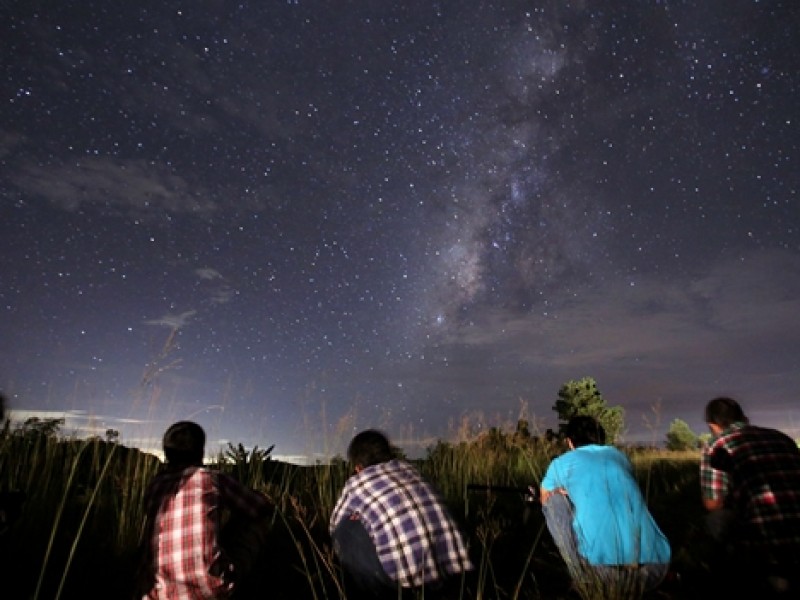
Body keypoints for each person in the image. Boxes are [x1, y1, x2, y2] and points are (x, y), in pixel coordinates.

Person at [329, 429, 473, 599]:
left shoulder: (357, 482)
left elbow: (334, 525)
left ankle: (365, 591)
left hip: (404, 580)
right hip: (452, 570)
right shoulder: (411, 469)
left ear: (358, 466)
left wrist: (360, 517)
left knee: (345, 529)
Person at [137, 421, 272, 600]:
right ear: (200, 451)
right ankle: (263, 579)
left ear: (166, 453)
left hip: (157, 594)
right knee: (254, 518)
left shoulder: (155, 485)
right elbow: (260, 507)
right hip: (209, 589)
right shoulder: (210, 478)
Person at [538, 416, 671, 597]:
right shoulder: (620, 457)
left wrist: (560, 493)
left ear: (569, 442)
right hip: (657, 567)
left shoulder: (561, 463)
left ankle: (580, 577)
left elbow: (543, 498)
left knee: (554, 502)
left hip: (605, 575)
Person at [700, 396, 800, 595]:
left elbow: (713, 504)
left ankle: (729, 579)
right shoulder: (781, 437)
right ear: (744, 418)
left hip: (768, 546)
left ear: (712, 425)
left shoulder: (716, 445)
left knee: (716, 519)